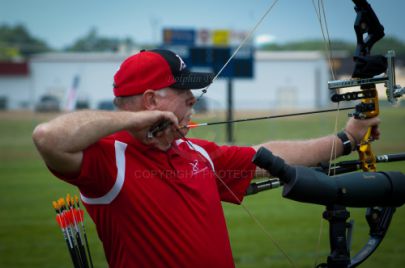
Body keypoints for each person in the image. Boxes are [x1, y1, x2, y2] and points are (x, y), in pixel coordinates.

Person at [32, 49, 380, 268]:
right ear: (151, 101)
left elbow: (269, 157)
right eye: (184, 92)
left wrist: (348, 138)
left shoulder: (194, 151)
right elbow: (47, 138)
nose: (193, 101)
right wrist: (135, 122)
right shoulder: (109, 159)